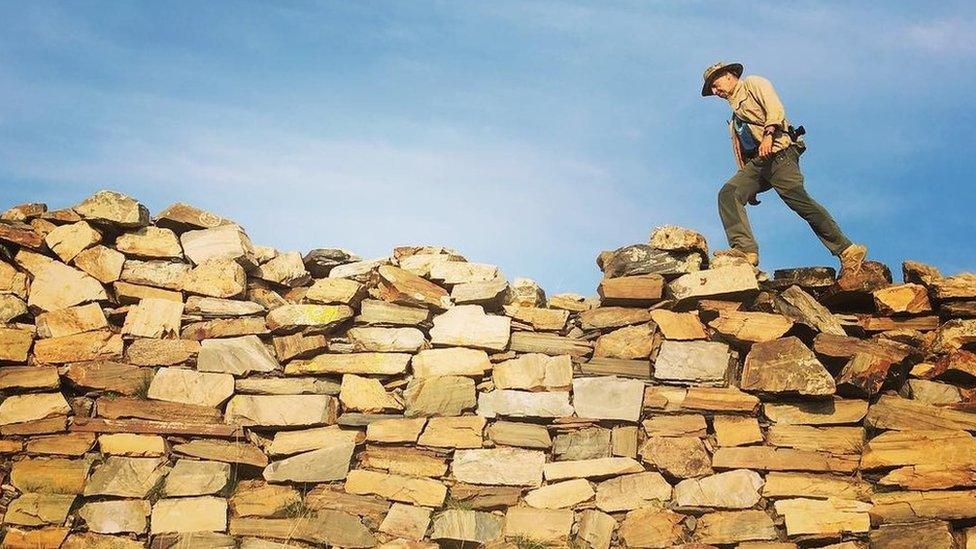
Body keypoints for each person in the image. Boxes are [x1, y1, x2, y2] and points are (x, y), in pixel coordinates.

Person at [701, 61, 866, 275]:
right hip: (758, 164)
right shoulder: (734, 118)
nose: (716, 92)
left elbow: (774, 107)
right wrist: (747, 185)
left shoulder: (753, 84)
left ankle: (847, 250)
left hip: (780, 153)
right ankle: (745, 250)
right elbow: (742, 150)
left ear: (729, 75)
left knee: (799, 201)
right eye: (712, 90)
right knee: (729, 193)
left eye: (716, 84)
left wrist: (769, 133)